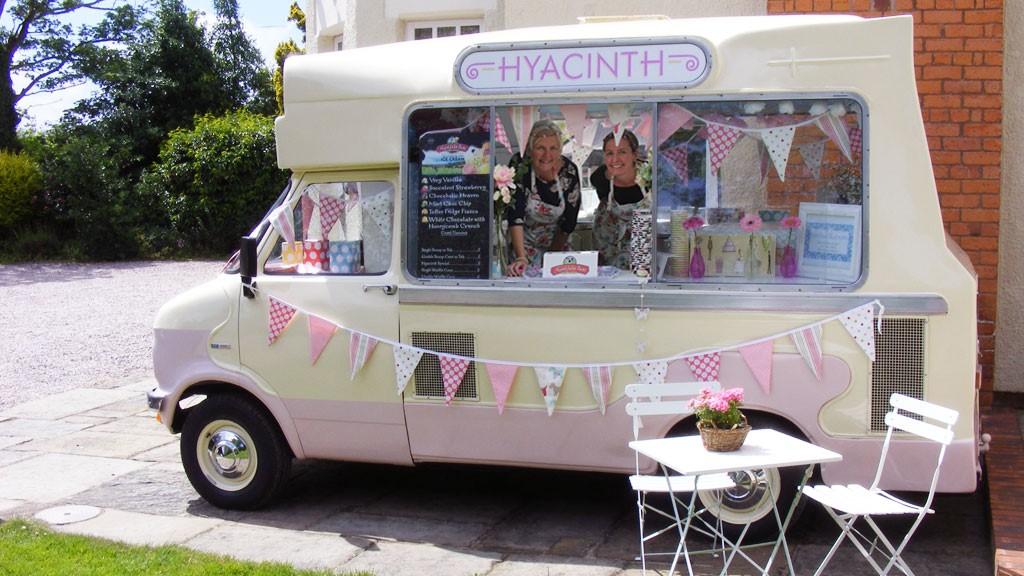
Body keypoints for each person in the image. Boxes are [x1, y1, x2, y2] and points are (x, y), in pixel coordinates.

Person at [506, 119, 582, 277]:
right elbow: (515, 216)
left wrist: (551, 259)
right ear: (529, 149)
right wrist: (521, 257)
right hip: (524, 245)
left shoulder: (569, 172)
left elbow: (569, 221)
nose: (547, 155)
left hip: (558, 244)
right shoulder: (519, 165)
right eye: (540, 148)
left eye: (553, 148)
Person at [590, 129, 651, 269]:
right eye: (610, 153)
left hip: (643, 258)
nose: (615, 159)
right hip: (607, 256)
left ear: (635, 154)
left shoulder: (650, 178)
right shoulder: (600, 179)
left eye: (622, 152)